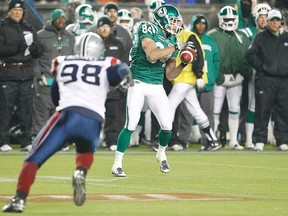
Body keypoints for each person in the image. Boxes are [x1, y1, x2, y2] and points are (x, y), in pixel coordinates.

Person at [2, 32, 133, 213]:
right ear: (99, 50)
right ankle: (81, 171)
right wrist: (125, 75)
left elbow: (56, 94)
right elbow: (119, 72)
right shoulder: (107, 62)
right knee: (85, 148)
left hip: (68, 116)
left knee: (33, 158)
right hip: (94, 121)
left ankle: (19, 200)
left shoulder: (63, 61)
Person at [111, 4, 184, 177]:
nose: (175, 25)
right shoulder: (147, 27)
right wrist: (175, 48)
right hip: (138, 82)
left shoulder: (172, 39)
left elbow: (170, 74)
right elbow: (151, 54)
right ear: (162, 20)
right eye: (172, 21)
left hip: (156, 84)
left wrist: (185, 63)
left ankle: (161, 152)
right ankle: (117, 164)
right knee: (131, 123)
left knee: (167, 126)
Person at [168, 27, 221, 152]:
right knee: (196, 110)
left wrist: (198, 74)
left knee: (169, 106)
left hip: (185, 78)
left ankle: (163, 140)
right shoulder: (174, 36)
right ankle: (213, 140)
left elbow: (197, 55)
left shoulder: (187, 35)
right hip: (183, 79)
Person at [0, 0, 43, 152]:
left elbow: (38, 51)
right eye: (15, 10)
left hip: (26, 73)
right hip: (8, 73)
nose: (18, 12)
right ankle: (2, 141)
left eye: (20, 10)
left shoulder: (28, 27)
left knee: (26, 110)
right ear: (9, 11)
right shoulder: (2, 26)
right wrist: (17, 47)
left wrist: (35, 47)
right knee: (5, 109)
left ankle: (26, 141)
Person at [207, 6, 251, 150]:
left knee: (234, 109)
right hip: (219, 80)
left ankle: (233, 140)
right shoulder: (212, 35)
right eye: (226, 19)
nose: (229, 22)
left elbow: (246, 59)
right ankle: (212, 139)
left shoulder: (242, 36)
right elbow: (211, 59)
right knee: (215, 111)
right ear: (220, 19)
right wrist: (218, 77)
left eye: (232, 19)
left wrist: (243, 74)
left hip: (236, 79)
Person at [246, 9, 288, 151]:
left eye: (277, 20)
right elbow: (250, 55)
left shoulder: (287, 37)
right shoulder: (260, 37)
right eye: (272, 20)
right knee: (262, 111)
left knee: (283, 111)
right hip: (266, 79)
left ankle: (282, 140)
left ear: (281, 21)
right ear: (268, 22)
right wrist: (262, 67)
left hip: (284, 81)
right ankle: (259, 140)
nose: (275, 22)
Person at [32, 9, 75, 143]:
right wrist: (39, 76)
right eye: (58, 18)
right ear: (52, 20)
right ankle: (38, 139)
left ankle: (59, 141)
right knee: (41, 113)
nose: (61, 21)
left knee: (61, 113)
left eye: (63, 18)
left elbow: (74, 58)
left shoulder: (70, 37)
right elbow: (34, 58)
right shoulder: (40, 36)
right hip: (46, 80)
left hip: (64, 82)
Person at [241, 3, 271, 149]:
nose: (264, 20)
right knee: (252, 105)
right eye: (261, 17)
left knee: (271, 107)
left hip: (273, 75)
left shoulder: (275, 33)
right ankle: (248, 140)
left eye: (266, 17)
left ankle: (270, 138)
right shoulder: (248, 32)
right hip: (255, 72)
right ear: (256, 18)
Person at [188, 14, 220, 149]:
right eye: (198, 24)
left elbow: (216, 61)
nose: (201, 26)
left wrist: (213, 76)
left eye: (203, 24)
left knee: (207, 113)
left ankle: (207, 142)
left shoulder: (210, 41)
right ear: (194, 24)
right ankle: (183, 140)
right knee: (187, 114)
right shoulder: (189, 39)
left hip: (207, 82)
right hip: (190, 82)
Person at [95, 15, 126, 151]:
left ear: (111, 28)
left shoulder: (118, 44)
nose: (104, 29)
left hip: (113, 85)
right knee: (94, 114)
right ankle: (92, 140)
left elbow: (124, 64)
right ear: (97, 29)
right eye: (102, 26)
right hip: (95, 85)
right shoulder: (92, 43)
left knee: (113, 115)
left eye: (107, 26)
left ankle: (112, 141)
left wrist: (123, 80)